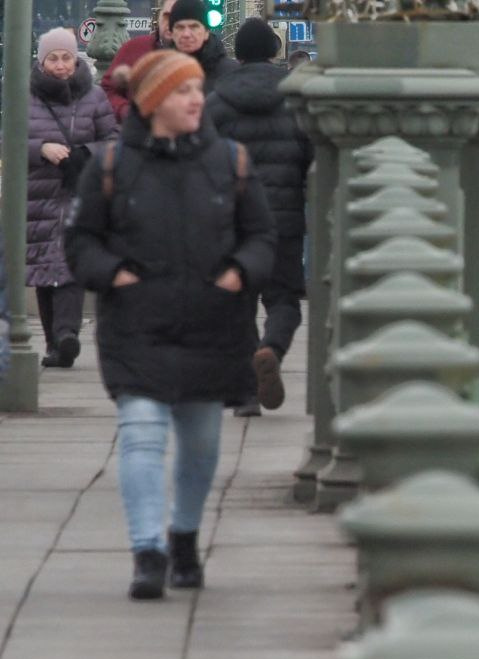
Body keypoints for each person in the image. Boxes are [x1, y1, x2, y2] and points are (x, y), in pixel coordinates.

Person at [65, 50, 276, 600]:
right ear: (154, 100)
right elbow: (81, 239)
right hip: (137, 325)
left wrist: (240, 273)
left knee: (202, 445)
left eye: (198, 90)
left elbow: (261, 236)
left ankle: (183, 536)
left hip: (211, 323)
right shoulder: (112, 164)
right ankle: (147, 553)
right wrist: (113, 275)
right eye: (184, 91)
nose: (196, 99)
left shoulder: (230, 160)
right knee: (140, 437)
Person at [207, 17, 312, 414]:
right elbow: (311, 158)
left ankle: (247, 393)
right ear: (274, 51)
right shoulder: (296, 100)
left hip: (233, 218)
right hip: (283, 220)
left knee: (239, 302)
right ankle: (271, 349)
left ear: (238, 53)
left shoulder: (217, 101)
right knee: (283, 299)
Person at [27, 28, 117, 368]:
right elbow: (14, 139)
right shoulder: (27, 97)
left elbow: (113, 139)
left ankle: (67, 335)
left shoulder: (93, 98)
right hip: (38, 195)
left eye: (67, 57)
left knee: (67, 265)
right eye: (54, 58)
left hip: (78, 192)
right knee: (43, 271)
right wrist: (41, 150)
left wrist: (85, 153)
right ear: (42, 61)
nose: (61, 65)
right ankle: (55, 344)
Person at [102, 0, 177, 121]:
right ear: (158, 17)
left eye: (176, 17)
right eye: (166, 16)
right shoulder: (135, 48)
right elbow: (107, 90)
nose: (170, 23)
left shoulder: (202, 55)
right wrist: (125, 110)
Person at [165, 0, 238, 90]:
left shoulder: (231, 74)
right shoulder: (161, 72)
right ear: (172, 33)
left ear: (206, 32)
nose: (186, 34)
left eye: (194, 27)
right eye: (180, 27)